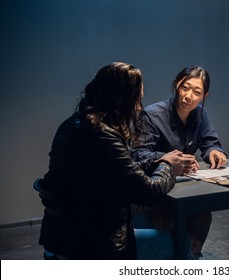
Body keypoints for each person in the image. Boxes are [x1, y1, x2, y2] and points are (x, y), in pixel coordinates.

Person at [38, 62, 178, 260]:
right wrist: (167, 165)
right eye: (137, 100)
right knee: (182, 235)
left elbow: (118, 169)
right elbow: (148, 192)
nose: (139, 107)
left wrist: (157, 162)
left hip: (67, 236)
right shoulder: (101, 134)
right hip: (92, 245)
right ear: (121, 100)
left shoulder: (76, 123)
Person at [131, 65, 228, 259]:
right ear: (176, 85)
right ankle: (182, 256)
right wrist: (166, 159)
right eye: (185, 88)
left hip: (184, 188)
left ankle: (190, 255)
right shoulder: (153, 115)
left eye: (197, 92)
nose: (188, 96)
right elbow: (138, 154)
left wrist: (214, 152)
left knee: (202, 214)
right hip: (155, 188)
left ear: (204, 96)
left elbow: (210, 143)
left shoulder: (201, 114)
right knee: (177, 218)